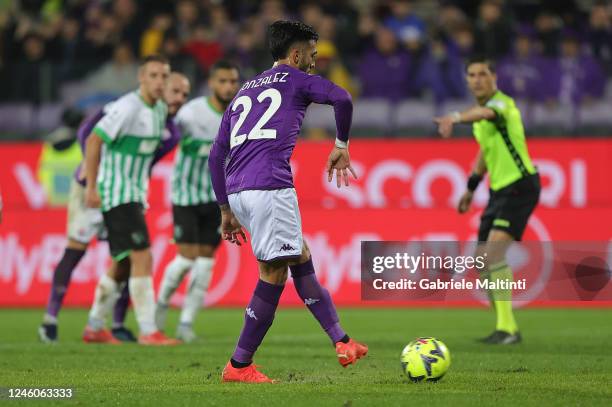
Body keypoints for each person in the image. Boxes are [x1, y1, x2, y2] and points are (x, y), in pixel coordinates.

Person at [208, 20, 368, 383]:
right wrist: (341, 145)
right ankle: (238, 366)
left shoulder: (244, 90)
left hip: (238, 190)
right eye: (312, 55)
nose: (314, 62)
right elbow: (342, 97)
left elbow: (217, 154)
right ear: (295, 54)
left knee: (299, 254)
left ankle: (342, 341)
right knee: (274, 273)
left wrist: (225, 208)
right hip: (269, 187)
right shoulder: (296, 79)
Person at [38, 71, 190, 343]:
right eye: (175, 91)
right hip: (93, 186)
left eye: (184, 95)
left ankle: (108, 323)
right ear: (160, 87)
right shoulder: (127, 107)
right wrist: (90, 167)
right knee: (82, 250)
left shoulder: (171, 131)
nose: (179, 99)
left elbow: (146, 162)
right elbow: (88, 131)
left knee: (125, 260)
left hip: (126, 193)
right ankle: (50, 319)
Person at [434, 57, 540, 345]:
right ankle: (505, 327)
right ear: (467, 80)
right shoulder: (483, 118)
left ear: (494, 78)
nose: (477, 79)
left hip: (521, 185)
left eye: (483, 74)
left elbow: (485, 114)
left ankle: (508, 330)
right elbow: (485, 153)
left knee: (493, 254)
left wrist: (454, 118)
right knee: (482, 261)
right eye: (472, 75)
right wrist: (470, 188)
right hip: (499, 191)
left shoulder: (503, 105)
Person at [82, 55, 181, 346]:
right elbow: (93, 140)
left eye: (164, 76)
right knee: (143, 255)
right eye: (154, 75)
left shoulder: (160, 109)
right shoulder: (127, 107)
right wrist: (91, 187)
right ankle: (150, 331)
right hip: (117, 192)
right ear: (141, 77)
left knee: (123, 263)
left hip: (136, 194)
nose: (159, 81)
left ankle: (94, 327)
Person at [155, 60, 240, 343]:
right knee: (185, 259)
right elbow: (163, 131)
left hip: (216, 200)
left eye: (233, 82)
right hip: (185, 195)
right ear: (212, 84)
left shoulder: (240, 114)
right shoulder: (191, 113)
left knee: (205, 264)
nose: (229, 87)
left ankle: (186, 324)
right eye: (223, 81)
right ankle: (159, 310)